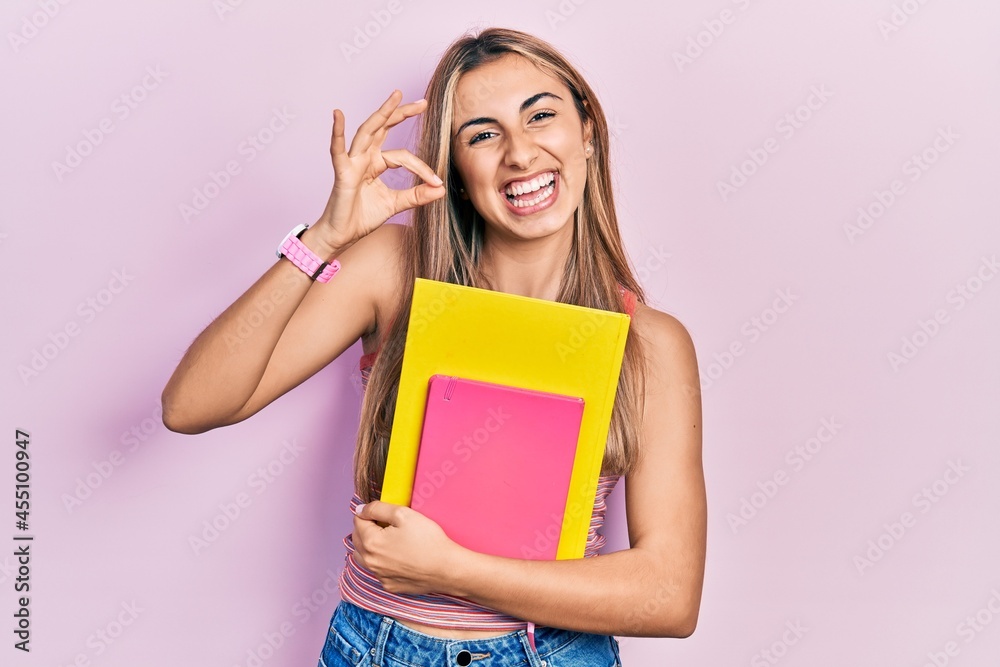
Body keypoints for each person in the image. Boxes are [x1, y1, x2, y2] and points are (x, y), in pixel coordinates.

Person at [162, 26, 706, 667]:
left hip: (547, 653)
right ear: (454, 167)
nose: (521, 154)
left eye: (541, 117)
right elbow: (191, 406)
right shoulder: (395, 272)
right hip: (376, 647)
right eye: (482, 134)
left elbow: (670, 597)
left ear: (586, 131)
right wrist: (325, 239)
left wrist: (452, 569)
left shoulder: (650, 343)